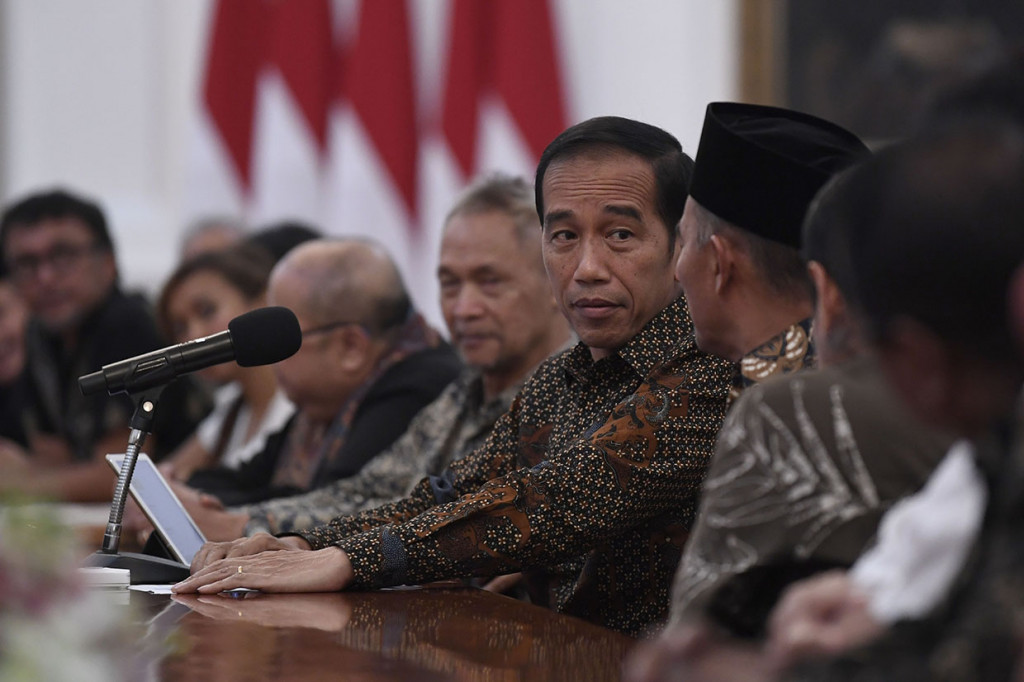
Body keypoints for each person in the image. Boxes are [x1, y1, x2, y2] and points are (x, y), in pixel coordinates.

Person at [174, 116, 736, 636]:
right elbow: (451, 492)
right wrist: (303, 545)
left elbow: (555, 501)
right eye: (564, 236)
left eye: (620, 236)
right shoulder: (559, 379)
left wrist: (345, 560)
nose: (587, 268)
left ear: (679, 245)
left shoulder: (712, 369)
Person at [630, 117, 1024, 682]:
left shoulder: (779, 410)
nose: (675, 270)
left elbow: (690, 643)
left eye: (683, 242)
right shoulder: (988, 451)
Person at [176, 174, 572, 541]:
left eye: (490, 282)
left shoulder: (579, 397)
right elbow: (373, 495)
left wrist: (245, 526)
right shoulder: (464, 392)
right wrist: (247, 525)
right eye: (450, 284)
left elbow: (453, 526)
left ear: (554, 282)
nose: (464, 308)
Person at [182, 238, 462, 506]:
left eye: (283, 339)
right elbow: (243, 480)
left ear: (350, 347)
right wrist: (187, 494)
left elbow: (331, 506)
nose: (271, 353)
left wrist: (202, 506)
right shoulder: (322, 405)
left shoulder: (416, 390)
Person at [0, 189, 206, 502]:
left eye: (63, 256)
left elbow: (121, 474)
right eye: (27, 263)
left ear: (108, 262)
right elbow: (49, 455)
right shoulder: (40, 335)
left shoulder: (129, 323)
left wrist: (22, 485)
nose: (45, 277)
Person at [676, 103, 869, 393]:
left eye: (685, 242)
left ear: (720, 263)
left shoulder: (770, 408)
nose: (677, 273)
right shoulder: (897, 390)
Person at [155, 245, 295, 482]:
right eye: (180, 328)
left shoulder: (301, 403)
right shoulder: (232, 406)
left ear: (264, 302)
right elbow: (159, 481)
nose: (193, 336)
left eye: (207, 311)